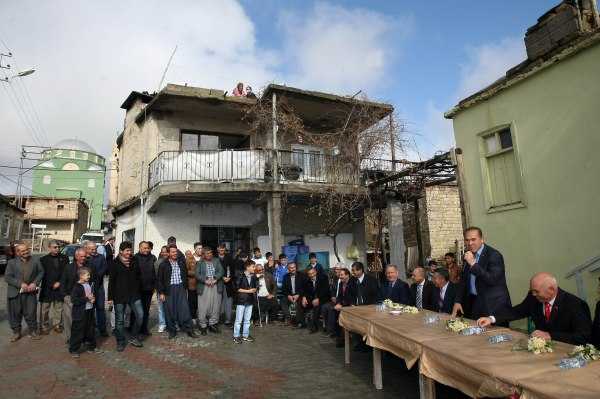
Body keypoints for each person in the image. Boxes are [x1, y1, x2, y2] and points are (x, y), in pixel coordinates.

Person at [477, 272, 592, 345]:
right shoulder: (534, 298)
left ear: (551, 289)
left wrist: (550, 335)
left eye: (536, 291)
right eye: (532, 291)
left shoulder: (575, 305)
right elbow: (517, 311)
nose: (533, 295)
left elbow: (583, 337)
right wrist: (491, 319)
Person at [453, 227, 512, 322]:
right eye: (467, 240)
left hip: (493, 307)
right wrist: (458, 301)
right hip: (474, 304)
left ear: (482, 239)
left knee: (493, 336)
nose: (470, 243)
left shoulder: (494, 255)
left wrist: (473, 264)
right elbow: (463, 280)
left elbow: (492, 279)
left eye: (473, 239)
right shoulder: (468, 255)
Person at [107, 241, 144, 352]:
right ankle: (120, 341)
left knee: (140, 315)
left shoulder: (134, 260)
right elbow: (111, 281)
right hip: (119, 295)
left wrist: (138, 289)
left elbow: (138, 276)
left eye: (130, 250)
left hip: (134, 294)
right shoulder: (114, 263)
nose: (129, 252)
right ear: (121, 251)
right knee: (119, 320)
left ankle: (133, 336)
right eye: (127, 250)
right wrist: (110, 297)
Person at [157, 245, 198, 339]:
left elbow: (185, 275)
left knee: (184, 310)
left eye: (176, 251)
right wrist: (162, 293)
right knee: (169, 311)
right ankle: (172, 330)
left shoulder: (181, 262)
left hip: (180, 288)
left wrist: (185, 287)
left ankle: (189, 330)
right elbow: (159, 280)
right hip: (169, 289)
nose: (175, 253)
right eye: (172, 252)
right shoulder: (163, 264)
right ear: (168, 253)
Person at [5, 242, 44, 341]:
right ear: (18, 253)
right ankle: (16, 333)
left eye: (27, 249)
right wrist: (20, 284)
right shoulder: (11, 263)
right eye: (23, 251)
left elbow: (41, 272)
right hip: (15, 293)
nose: (26, 252)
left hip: (30, 292)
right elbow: (7, 277)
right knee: (15, 314)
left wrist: (35, 283)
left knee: (31, 312)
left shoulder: (35, 261)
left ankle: (33, 331)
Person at [69, 267, 102, 357]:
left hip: (89, 311)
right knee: (78, 331)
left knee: (90, 329)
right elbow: (74, 300)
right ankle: (74, 349)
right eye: (87, 275)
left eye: (89, 275)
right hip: (80, 313)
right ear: (81, 276)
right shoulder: (77, 287)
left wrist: (92, 299)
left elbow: (90, 295)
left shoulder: (88, 284)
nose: (89, 276)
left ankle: (91, 346)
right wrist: (87, 299)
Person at [39, 240, 69, 334]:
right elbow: (42, 274)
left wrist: (60, 282)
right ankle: (44, 326)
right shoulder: (43, 259)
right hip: (47, 288)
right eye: (55, 247)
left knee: (58, 308)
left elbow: (66, 272)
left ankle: (57, 325)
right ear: (49, 248)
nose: (57, 249)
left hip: (59, 287)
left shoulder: (65, 258)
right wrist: (52, 284)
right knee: (45, 309)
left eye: (58, 247)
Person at [61, 248, 89, 344]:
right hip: (69, 297)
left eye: (85, 256)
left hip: (84, 298)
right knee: (69, 319)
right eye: (82, 256)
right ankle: (70, 338)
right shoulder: (68, 267)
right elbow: (63, 282)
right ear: (76, 257)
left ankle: (81, 338)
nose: (84, 258)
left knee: (82, 320)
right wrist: (64, 296)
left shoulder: (88, 266)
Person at [196, 247, 224, 334]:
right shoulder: (200, 262)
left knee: (215, 305)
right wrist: (205, 280)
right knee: (203, 306)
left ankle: (213, 324)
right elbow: (197, 274)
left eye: (210, 253)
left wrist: (216, 279)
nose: (209, 254)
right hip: (204, 286)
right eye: (207, 253)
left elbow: (221, 271)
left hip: (215, 285)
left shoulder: (216, 260)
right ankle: (203, 325)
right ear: (203, 254)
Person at [84, 241, 109, 337]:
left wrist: (96, 275)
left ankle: (102, 329)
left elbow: (104, 268)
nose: (94, 251)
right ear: (86, 249)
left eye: (95, 249)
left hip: (99, 287)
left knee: (100, 308)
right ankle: (90, 328)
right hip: (87, 287)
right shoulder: (85, 258)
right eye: (92, 249)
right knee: (89, 308)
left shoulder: (101, 257)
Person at [133, 241, 156, 336]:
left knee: (146, 310)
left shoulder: (153, 258)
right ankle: (135, 329)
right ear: (140, 248)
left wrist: (154, 285)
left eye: (147, 248)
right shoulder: (135, 258)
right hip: (138, 289)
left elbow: (154, 272)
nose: (146, 250)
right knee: (137, 311)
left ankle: (144, 328)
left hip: (149, 288)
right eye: (144, 248)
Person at [298, 266, 330, 333]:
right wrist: (304, 298)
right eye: (310, 274)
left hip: (323, 298)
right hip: (312, 299)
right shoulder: (307, 280)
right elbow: (303, 290)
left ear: (315, 272)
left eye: (313, 273)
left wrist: (318, 299)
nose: (312, 275)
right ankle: (302, 323)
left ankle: (314, 327)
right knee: (300, 303)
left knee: (316, 306)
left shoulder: (323, 278)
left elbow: (326, 291)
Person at [233, 260, 258, 344]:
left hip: (250, 300)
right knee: (238, 320)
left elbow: (255, 286)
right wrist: (249, 291)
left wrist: (255, 289)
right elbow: (237, 288)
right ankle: (236, 336)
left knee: (247, 320)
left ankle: (245, 335)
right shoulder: (240, 275)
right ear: (247, 267)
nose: (254, 268)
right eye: (253, 266)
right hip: (241, 300)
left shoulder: (254, 276)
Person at [333, 268, 357, 347]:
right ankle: (340, 338)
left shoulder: (352, 283)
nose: (340, 276)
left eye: (342, 275)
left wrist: (342, 304)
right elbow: (339, 296)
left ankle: (343, 339)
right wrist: (338, 303)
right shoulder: (341, 284)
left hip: (350, 305)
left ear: (347, 275)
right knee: (334, 312)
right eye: (339, 275)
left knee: (340, 316)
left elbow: (352, 297)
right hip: (343, 305)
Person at [216, 244, 235, 326]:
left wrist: (230, 277)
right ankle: (217, 318)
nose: (221, 251)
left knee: (228, 301)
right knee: (217, 301)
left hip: (228, 283)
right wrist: (221, 277)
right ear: (217, 249)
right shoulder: (214, 258)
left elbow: (233, 269)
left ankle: (228, 319)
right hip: (218, 282)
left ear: (225, 249)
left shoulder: (230, 257)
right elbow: (213, 271)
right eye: (220, 249)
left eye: (223, 249)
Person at [281, 261, 305, 325]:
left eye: (294, 267)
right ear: (288, 269)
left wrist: (298, 294)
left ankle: (299, 320)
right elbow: (284, 288)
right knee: (283, 301)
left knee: (300, 303)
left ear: (296, 268)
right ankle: (288, 318)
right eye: (291, 268)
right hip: (290, 295)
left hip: (299, 295)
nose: (293, 269)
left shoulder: (302, 275)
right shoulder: (285, 277)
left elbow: (304, 287)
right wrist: (288, 295)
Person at [322, 264, 343, 336]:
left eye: (337, 269)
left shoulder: (344, 279)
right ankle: (326, 326)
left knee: (331, 309)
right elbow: (333, 291)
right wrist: (332, 296)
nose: (336, 271)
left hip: (341, 301)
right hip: (334, 300)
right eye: (335, 269)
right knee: (324, 307)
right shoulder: (335, 279)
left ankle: (331, 331)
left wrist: (338, 300)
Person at [154, 246, 169, 333]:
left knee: (170, 307)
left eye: (166, 252)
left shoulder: (173, 262)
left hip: (170, 289)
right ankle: (162, 324)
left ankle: (170, 323)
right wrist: (158, 289)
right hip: (160, 288)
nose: (164, 253)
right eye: (162, 252)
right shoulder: (157, 263)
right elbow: (156, 278)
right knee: (161, 307)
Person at [187, 246, 200, 328]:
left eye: (201, 248)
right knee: (192, 302)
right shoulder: (189, 258)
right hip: (192, 284)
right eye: (199, 248)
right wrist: (196, 273)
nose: (200, 250)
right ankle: (193, 318)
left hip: (202, 284)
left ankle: (202, 318)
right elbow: (186, 270)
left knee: (201, 302)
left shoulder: (203, 258)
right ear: (195, 249)